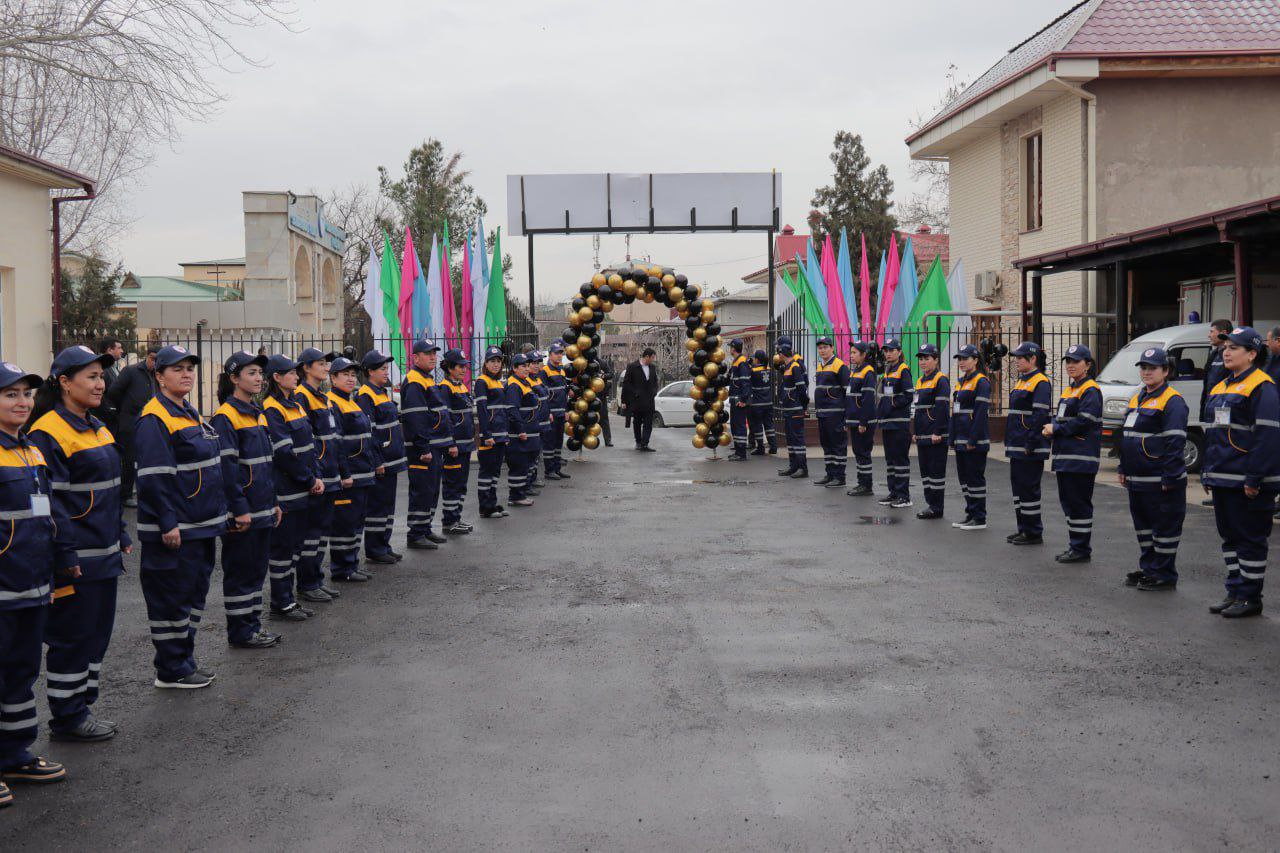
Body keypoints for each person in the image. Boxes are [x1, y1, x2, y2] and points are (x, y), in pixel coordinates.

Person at [28, 346, 131, 741]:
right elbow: (51, 503)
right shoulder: (48, 432)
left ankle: (82, 706)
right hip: (76, 559)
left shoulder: (97, 426)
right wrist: (64, 553)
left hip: (102, 555)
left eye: (101, 376)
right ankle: (68, 717)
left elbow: (109, 490)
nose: (100, 383)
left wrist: (120, 531)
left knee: (95, 635)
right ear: (64, 383)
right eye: (90, 377)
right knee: (72, 636)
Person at [134, 345, 226, 689]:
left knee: (191, 596)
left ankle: (183, 660)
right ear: (159, 376)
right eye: (177, 369)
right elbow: (156, 477)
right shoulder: (155, 418)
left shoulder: (187, 411)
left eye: (189, 368)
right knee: (171, 599)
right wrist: (167, 522)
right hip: (177, 529)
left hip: (199, 525)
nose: (186, 373)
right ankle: (171, 668)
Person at [0, 361, 70, 795]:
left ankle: (14, 755)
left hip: (32, 585)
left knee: (21, 672)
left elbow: (46, 513)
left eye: (26, 394)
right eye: (10, 395)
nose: (22, 402)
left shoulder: (29, 449)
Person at [1202, 326, 1279, 619]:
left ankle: (1250, 597)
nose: (1227, 351)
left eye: (1234, 347)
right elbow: (1214, 434)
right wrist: (1209, 472)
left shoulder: (1262, 386)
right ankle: (1234, 590)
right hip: (1223, 477)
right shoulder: (1222, 385)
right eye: (1226, 346)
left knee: (1250, 539)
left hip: (1248, 481)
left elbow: (1267, 437)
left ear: (1252, 353)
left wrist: (1254, 478)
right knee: (1230, 538)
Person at [211, 352, 281, 649]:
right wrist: (239, 510)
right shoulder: (225, 417)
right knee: (241, 573)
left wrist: (275, 502)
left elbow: (267, 463)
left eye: (259, 374)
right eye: (251, 373)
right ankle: (240, 631)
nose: (258, 379)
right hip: (245, 513)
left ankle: (253, 626)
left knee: (256, 570)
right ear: (234, 378)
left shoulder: (257, 412)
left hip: (264, 508)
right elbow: (228, 471)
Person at [1117, 347, 1188, 591]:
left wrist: (1170, 476)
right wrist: (1123, 466)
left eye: (1152, 368)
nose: (1146, 372)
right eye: (1143, 367)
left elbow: (1175, 441)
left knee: (1164, 528)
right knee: (1144, 528)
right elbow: (1127, 435)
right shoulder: (1138, 397)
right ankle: (1150, 568)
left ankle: (1165, 575)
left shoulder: (1173, 401)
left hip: (1159, 479)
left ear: (1165, 371)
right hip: (1137, 478)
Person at [262, 354, 323, 615]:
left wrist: (314, 476)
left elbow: (309, 446)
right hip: (288, 489)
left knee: (295, 547)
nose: (296, 376)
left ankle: (289, 597)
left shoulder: (294, 404)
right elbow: (284, 453)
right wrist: (309, 479)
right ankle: (281, 603)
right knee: (283, 550)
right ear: (276, 377)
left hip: (302, 487)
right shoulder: (272, 408)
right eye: (290, 373)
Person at [295, 349, 347, 602]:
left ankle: (315, 578)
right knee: (311, 532)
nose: (326, 367)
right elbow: (308, 441)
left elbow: (332, 438)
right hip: (318, 476)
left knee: (322, 531)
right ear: (306, 368)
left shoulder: (323, 397)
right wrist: (315, 473)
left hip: (330, 474)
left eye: (327, 363)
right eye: (320, 363)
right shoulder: (301, 396)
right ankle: (306, 583)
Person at [1043, 344, 1103, 563]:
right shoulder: (1070, 389)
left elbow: (1085, 420)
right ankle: (1075, 545)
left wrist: (1057, 429)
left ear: (1087, 365)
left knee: (1078, 503)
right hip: (1066, 456)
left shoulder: (1090, 390)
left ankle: (1081, 549)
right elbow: (1060, 417)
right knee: (1069, 503)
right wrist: (1051, 426)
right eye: (1068, 361)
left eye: (1076, 361)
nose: (1071, 365)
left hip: (1080, 457)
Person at [327, 357, 382, 582]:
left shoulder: (351, 401)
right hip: (351, 474)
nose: (351, 379)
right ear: (333, 378)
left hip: (363, 472)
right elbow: (337, 442)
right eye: (345, 374)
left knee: (356, 521)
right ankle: (341, 569)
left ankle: (351, 564)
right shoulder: (333, 402)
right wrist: (344, 473)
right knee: (345, 522)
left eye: (353, 374)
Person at [357, 350, 406, 564]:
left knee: (388, 505)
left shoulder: (381, 392)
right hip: (382, 461)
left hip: (391, 459)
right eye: (382, 369)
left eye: (387, 368)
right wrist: (377, 461)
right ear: (370, 371)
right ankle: (375, 548)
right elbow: (370, 431)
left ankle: (384, 544)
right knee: (377, 507)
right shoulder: (365, 395)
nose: (386, 372)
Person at [400, 340, 450, 550]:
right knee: (421, 490)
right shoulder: (414, 381)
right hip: (423, 448)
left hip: (433, 446)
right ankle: (416, 534)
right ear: (415, 357)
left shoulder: (426, 379)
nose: (432, 357)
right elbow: (415, 418)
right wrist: (423, 448)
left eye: (434, 353)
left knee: (431, 490)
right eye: (427, 353)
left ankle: (425, 528)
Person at [1005, 342, 1052, 546]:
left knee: (1029, 489)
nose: (1016, 361)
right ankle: (1022, 527)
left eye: (1020, 357)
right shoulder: (1022, 381)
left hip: (1028, 446)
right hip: (1017, 444)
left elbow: (1040, 415)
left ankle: (1033, 531)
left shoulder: (1040, 382)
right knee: (1019, 489)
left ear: (1032, 359)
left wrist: (1031, 442)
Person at [105, 342, 159, 507]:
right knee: (129, 458)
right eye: (152, 359)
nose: (154, 363)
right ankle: (126, 494)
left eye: (158, 360)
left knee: (148, 458)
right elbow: (114, 392)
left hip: (150, 422)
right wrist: (125, 408)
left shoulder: (158, 375)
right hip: (130, 422)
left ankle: (144, 490)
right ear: (147, 357)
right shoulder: (131, 371)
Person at [948, 344, 991, 530]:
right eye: (960, 359)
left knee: (975, 478)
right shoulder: (960, 382)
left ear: (975, 360)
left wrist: (973, 439)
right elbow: (955, 412)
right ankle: (970, 512)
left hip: (974, 441)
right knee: (964, 479)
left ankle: (979, 517)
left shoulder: (981, 382)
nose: (962, 362)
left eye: (965, 358)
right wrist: (952, 437)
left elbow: (980, 413)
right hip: (960, 439)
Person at [438, 349, 476, 534]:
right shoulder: (445, 387)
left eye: (465, 366)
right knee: (452, 483)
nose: (463, 369)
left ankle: (457, 517)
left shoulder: (461, 385)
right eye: (460, 366)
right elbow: (445, 418)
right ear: (450, 368)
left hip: (466, 443)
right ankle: (449, 521)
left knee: (461, 483)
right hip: (455, 446)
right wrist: (451, 443)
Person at [912, 343, 950, 520]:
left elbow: (942, 408)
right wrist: (915, 431)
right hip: (922, 435)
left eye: (927, 358)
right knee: (925, 472)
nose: (923, 362)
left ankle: (936, 507)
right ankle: (930, 504)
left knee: (935, 473)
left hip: (935, 435)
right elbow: (918, 409)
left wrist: (938, 431)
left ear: (936, 359)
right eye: (921, 359)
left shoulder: (941, 380)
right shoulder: (920, 381)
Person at [876, 339, 913, 508]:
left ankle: (904, 496)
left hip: (899, 423)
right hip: (888, 423)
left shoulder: (903, 370)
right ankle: (894, 493)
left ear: (899, 351)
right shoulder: (888, 370)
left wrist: (892, 404)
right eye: (886, 350)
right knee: (890, 460)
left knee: (900, 460)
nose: (888, 353)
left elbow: (908, 395)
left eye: (891, 350)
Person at [475, 346, 510, 519]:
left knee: (495, 472)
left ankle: (492, 502)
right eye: (492, 361)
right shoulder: (482, 381)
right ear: (486, 363)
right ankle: (485, 507)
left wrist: (505, 434)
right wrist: (486, 435)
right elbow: (482, 410)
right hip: (490, 436)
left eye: (498, 361)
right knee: (487, 472)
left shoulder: (498, 382)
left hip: (500, 434)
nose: (496, 364)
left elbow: (502, 410)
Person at [503, 353, 542, 507]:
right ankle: (516, 496)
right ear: (514, 368)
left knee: (525, 464)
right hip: (521, 435)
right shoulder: (514, 385)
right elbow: (512, 410)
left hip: (530, 432)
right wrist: (520, 430)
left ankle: (520, 494)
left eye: (528, 365)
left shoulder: (524, 382)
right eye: (523, 366)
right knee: (519, 465)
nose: (527, 369)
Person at [812, 337, 847, 486]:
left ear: (832, 348)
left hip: (835, 413)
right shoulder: (821, 365)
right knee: (826, 444)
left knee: (837, 445)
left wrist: (847, 414)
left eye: (825, 347)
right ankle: (830, 474)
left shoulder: (839, 365)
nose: (822, 350)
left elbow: (847, 390)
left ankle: (839, 477)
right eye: (820, 348)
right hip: (823, 412)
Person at [845, 340, 877, 497]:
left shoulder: (867, 372)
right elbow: (850, 397)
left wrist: (863, 422)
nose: (851, 355)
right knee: (858, 452)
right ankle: (861, 482)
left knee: (863, 452)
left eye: (854, 353)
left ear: (864, 355)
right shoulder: (855, 371)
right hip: (854, 420)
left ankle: (866, 485)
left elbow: (868, 400)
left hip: (862, 422)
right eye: (851, 352)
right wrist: (847, 419)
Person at [775, 336, 809, 478]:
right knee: (790, 439)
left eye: (778, 353)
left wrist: (803, 406)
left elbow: (801, 389)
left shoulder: (795, 366)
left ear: (782, 353)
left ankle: (802, 468)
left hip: (795, 409)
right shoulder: (788, 367)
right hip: (789, 409)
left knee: (797, 439)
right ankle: (793, 466)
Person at [540, 342, 570, 479]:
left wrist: (566, 410)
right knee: (549, 442)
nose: (559, 356)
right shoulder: (545, 371)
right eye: (556, 353)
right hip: (551, 414)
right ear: (550, 355)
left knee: (558, 442)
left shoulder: (562, 370)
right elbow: (544, 395)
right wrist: (548, 412)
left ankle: (557, 468)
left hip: (560, 413)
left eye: (561, 353)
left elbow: (564, 393)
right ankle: (549, 470)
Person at [621, 347, 660, 451]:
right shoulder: (632, 366)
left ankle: (645, 444)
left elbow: (655, 381)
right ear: (646, 356)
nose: (653, 360)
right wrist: (624, 400)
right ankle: (638, 442)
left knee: (648, 423)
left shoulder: (652, 367)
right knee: (637, 422)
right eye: (652, 357)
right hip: (637, 401)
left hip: (649, 401)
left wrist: (654, 391)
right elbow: (626, 384)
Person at [747, 349, 778, 455]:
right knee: (769, 425)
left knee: (758, 426)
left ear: (756, 359)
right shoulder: (769, 369)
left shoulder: (753, 370)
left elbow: (748, 382)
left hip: (757, 403)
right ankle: (773, 446)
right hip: (768, 401)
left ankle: (760, 447)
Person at [726, 340, 751, 461]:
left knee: (740, 426)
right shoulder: (736, 362)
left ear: (734, 348)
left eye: (730, 347)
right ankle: (737, 450)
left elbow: (745, 382)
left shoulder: (742, 362)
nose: (729, 349)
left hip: (739, 401)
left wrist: (743, 399)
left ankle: (741, 453)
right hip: (734, 400)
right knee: (735, 425)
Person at [93, 336, 124, 433]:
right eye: (119, 348)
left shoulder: (114, 367)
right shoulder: (102, 369)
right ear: (110, 350)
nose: (122, 351)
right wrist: (110, 409)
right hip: (106, 417)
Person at [598, 358, 615, 447]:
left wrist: (603, 375)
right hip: (588, 394)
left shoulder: (602, 362)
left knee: (604, 418)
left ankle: (608, 440)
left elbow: (611, 374)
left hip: (601, 394)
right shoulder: (584, 361)